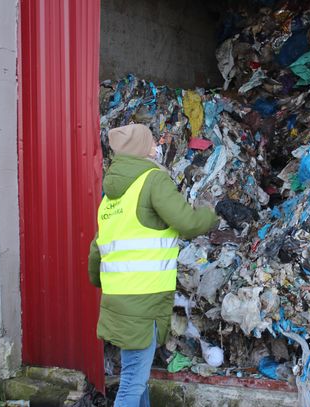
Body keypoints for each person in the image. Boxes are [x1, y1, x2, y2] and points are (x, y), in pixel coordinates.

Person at [88, 124, 218, 407]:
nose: (156, 145)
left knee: (138, 375)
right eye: (150, 142)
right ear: (139, 148)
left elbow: (97, 251)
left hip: (118, 300)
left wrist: (105, 283)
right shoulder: (152, 180)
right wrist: (211, 216)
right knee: (132, 384)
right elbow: (187, 223)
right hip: (143, 301)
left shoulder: (110, 197)